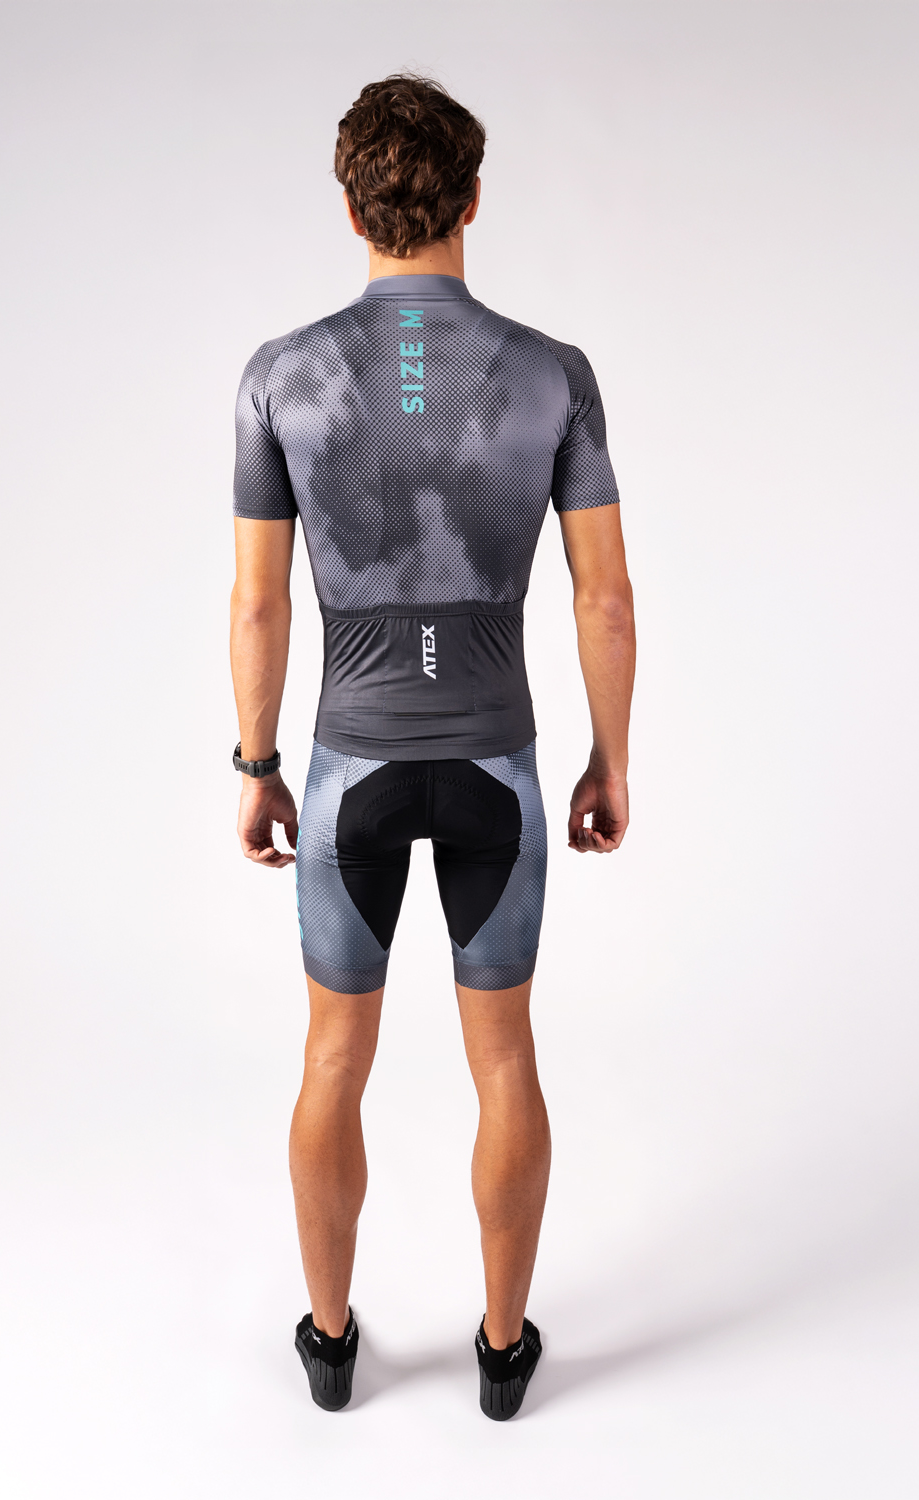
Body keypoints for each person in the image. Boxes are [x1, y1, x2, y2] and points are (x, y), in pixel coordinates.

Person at [229, 75, 634, 1421]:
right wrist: (608, 759)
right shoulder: (553, 374)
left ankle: (331, 1345)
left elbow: (257, 603)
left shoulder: (281, 377)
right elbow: (602, 596)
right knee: (503, 1057)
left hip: (347, 766)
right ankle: (503, 1353)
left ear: (351, 209)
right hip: (494, 771)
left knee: (330, 1062)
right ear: (471, 200)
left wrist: (254, 764)